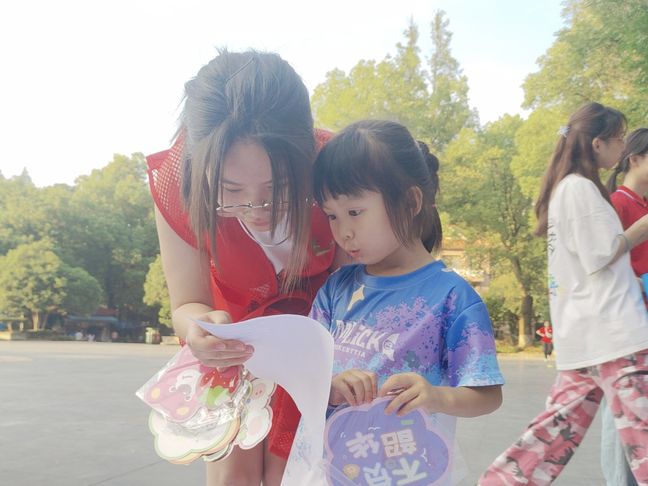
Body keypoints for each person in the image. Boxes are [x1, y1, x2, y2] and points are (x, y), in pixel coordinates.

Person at [146, 50, 346, 486]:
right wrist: (200, 329)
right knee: (231, 476)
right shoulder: (177, 185)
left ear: (307, 158)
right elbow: (188, 303)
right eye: (231, 191)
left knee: (297, 473)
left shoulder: (340, 169)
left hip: (321, 347)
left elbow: (360, 292)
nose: (257, 211)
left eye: (280, 188)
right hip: (233, 345)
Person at [308, 120, 504, 467]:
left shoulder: (452, 298)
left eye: (354, 212)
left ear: (411, 201)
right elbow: (305, 371)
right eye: (332, 216)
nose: (343, 232)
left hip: (408, 470)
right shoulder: (336, 289)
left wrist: (436, 396)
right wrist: (331, 386)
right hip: (332, 469)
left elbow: (487, 394)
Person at [479, 102, 648, 486]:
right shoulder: (580, 189)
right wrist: (640, 229)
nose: (622, 147)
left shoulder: (570, 189)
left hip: (590, 336)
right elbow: (600, 254)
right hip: (616, 334)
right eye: (619, 139)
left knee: (551, 437)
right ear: (597, 144)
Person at [602, 127, 648, 486]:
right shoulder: (617, 204)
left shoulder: (643, 206)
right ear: (635, 159)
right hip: (627, 330)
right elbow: (604, 265)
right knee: (625, 422)